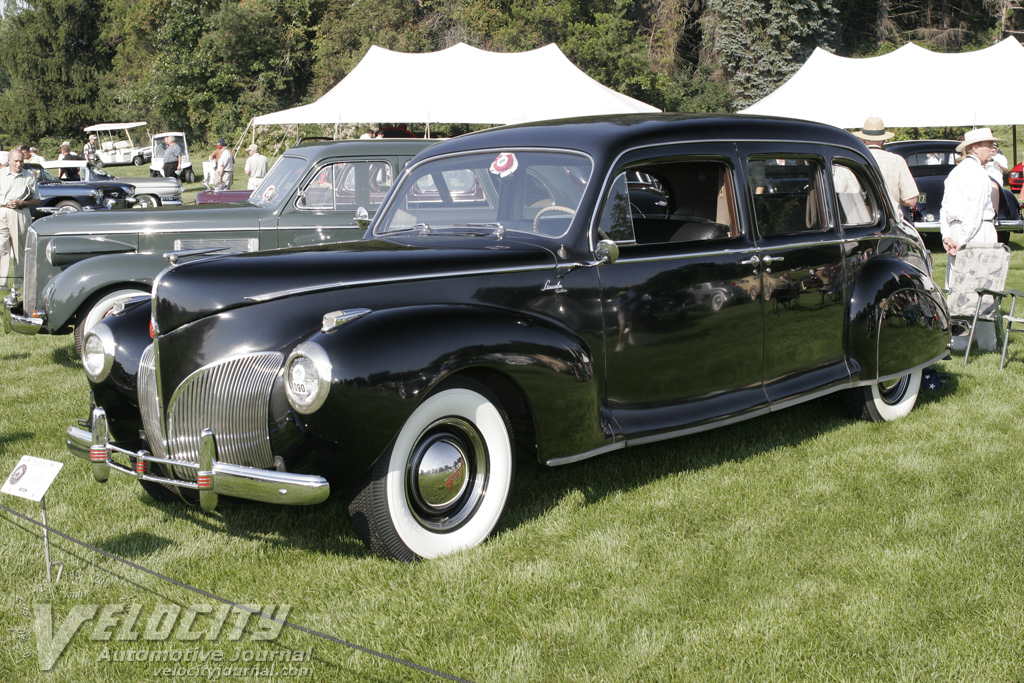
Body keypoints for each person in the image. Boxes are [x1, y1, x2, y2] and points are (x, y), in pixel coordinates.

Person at [940, 127, 1001, 286]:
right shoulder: (978, 173)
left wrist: (947, 236)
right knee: (981, 285)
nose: (992, 150)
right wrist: (961, 241)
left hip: (957, 231)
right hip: (976, 232)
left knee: (958, 284)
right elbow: (974, 211)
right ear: (975, 148)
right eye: (989, 145)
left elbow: (944, 208)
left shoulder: (955, 172)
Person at [853, 116, 918, 214]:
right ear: (883, 141)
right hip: (890, 220)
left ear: (863, 140)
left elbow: (841, 193)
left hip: (860, 221)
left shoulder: (853, 159)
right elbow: (911, 200)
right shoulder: (897, 161)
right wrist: (893, 197)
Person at [0, 148, 41, 288]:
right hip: (2, 213)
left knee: (20, 250)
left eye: (21, 161)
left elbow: (36, 200)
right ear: (9, 161)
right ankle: (2, 284)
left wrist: (21, 202)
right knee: (1, 248)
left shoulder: (29, 177)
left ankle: (19, 284)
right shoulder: (1, 175)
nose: (19, 164)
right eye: (16, 161)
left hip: (20, 213)